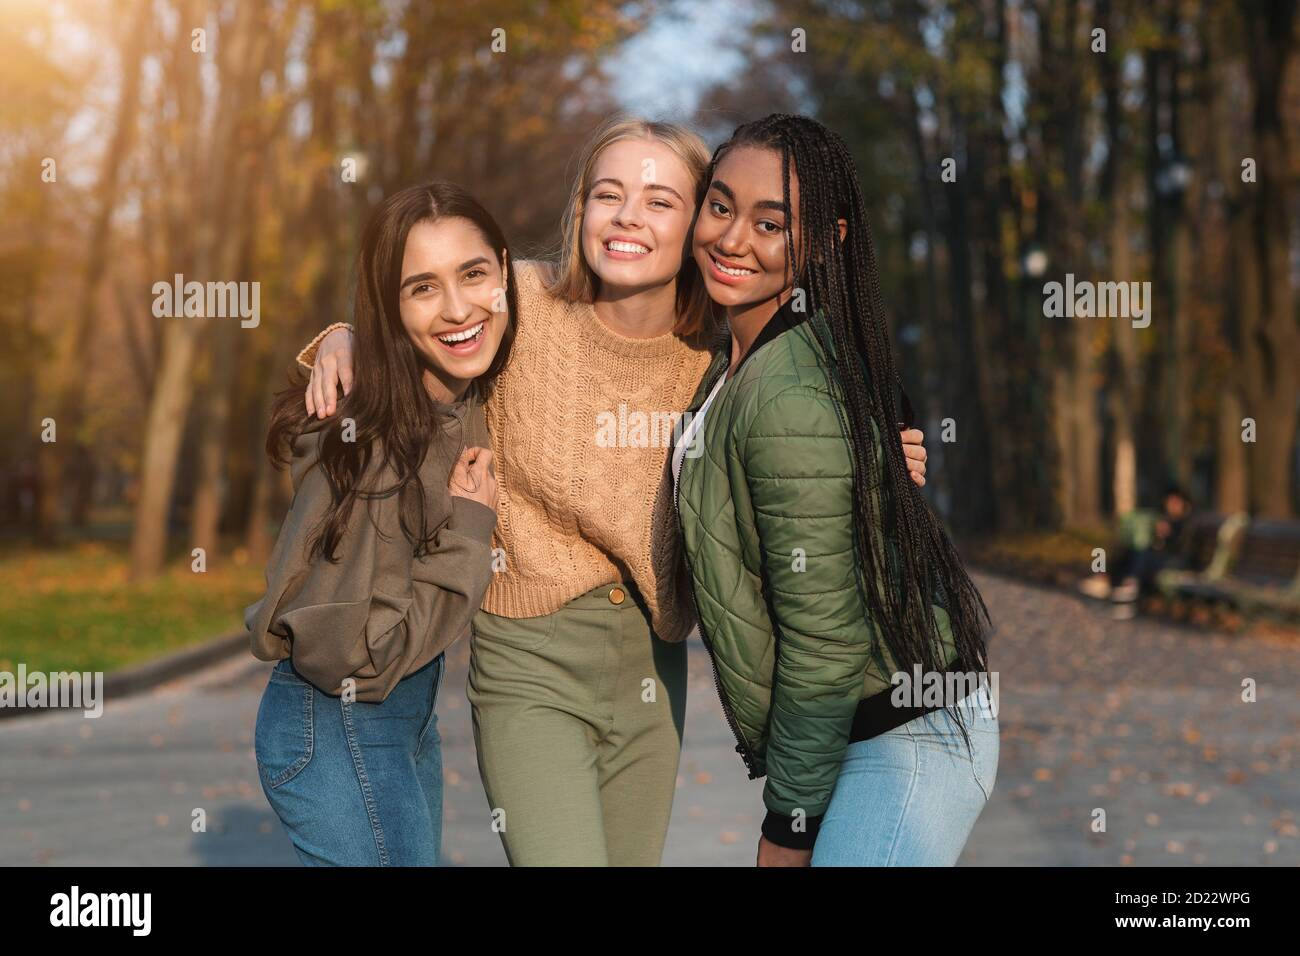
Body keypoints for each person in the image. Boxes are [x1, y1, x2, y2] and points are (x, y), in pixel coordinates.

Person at [296, 116, 934, 866]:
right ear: (582, 212)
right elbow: (425, 315)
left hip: (652, 666)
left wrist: (879, 458)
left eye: (661, 201)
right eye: (609, 193)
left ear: (698, 223)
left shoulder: (724, 351)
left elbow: (809, 429)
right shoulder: (520, 304)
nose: (629, 215)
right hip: (527, 658)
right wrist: (344, 338)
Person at [675, 113, 998, 867]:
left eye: (770, 224)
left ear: (825, 240)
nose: (731, 239)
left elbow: (825, 638)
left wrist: (787, 826)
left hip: (904, 733)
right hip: (860, 724)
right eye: (720, 207)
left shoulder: (788, 388)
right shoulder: (740, 361)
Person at [245, 182, 513, 865]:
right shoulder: (375, 443)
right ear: (390, 308)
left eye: (473, 274)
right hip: (342, 722)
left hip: (396, 720)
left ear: (505, 271)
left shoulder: (453, 389)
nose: (457, 309)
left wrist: (341, 335)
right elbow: (352, 660)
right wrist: (469, 532)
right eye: (422, 288)